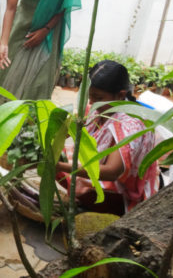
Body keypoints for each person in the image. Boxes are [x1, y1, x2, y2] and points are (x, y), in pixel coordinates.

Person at [56, 60, 160, 215]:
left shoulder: (132, 124)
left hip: (123, 192)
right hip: (102, 176)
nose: (92, 102)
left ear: (120, 95)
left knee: (84, 190)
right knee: (58, 154)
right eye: (90, 96)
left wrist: (58, 166)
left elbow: (112, 172)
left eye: (98, 97)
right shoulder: (97, 109)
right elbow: (66, 128)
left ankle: (90, 203)